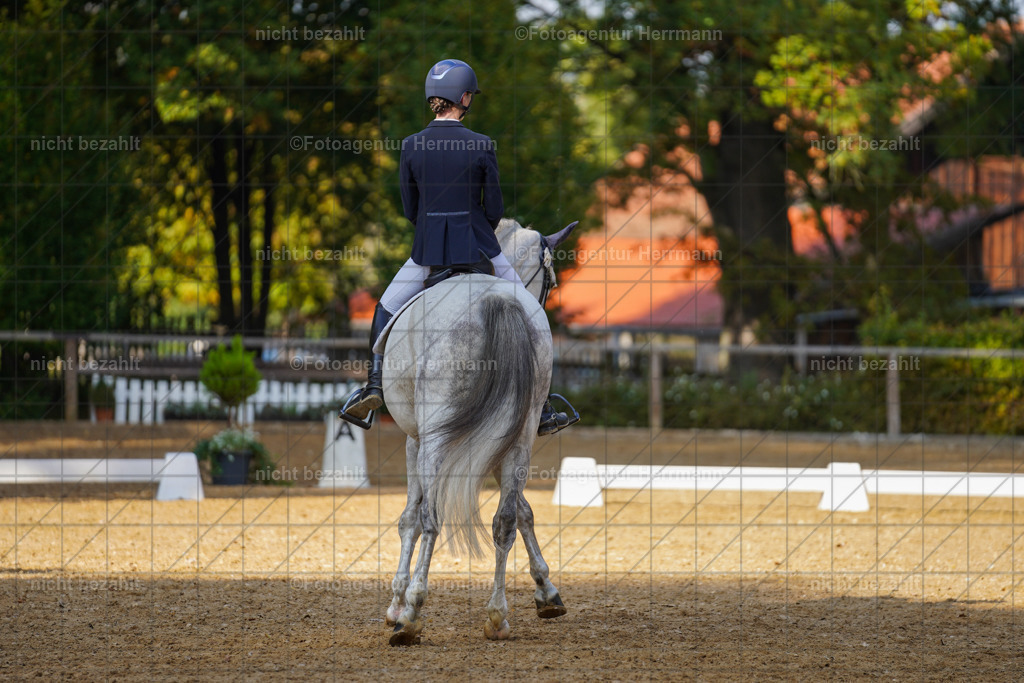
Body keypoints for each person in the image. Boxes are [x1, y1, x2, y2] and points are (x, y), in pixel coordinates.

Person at [342, 58, 571, 435]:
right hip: (480, 248)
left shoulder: (411, 146)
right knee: (533, 314)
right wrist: (477, 232)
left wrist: (433, 233)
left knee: (384, 307)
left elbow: (410, 208)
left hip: (427, 253)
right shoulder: (482, 145)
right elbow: (494, 208)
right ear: (464, 97)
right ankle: (543, 403)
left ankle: (374, 386)